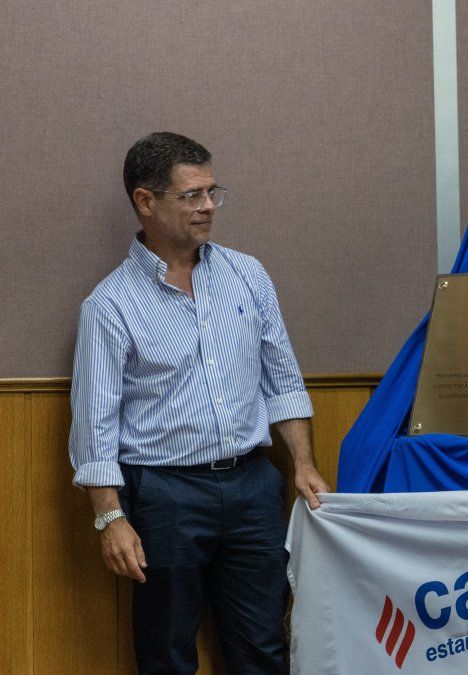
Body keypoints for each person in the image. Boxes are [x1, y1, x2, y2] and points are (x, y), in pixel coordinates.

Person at [69, 131, 330, 674]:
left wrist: (302, 464)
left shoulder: (247, 275)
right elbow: (95, 426)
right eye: (192, 195)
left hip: (254, 487)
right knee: (166, 651)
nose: (209, 206)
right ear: (146, 201)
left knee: (263, 646)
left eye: (213, 191)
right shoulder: (110, 305)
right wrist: (108, 518)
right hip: (164, 496)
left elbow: (282, 378)